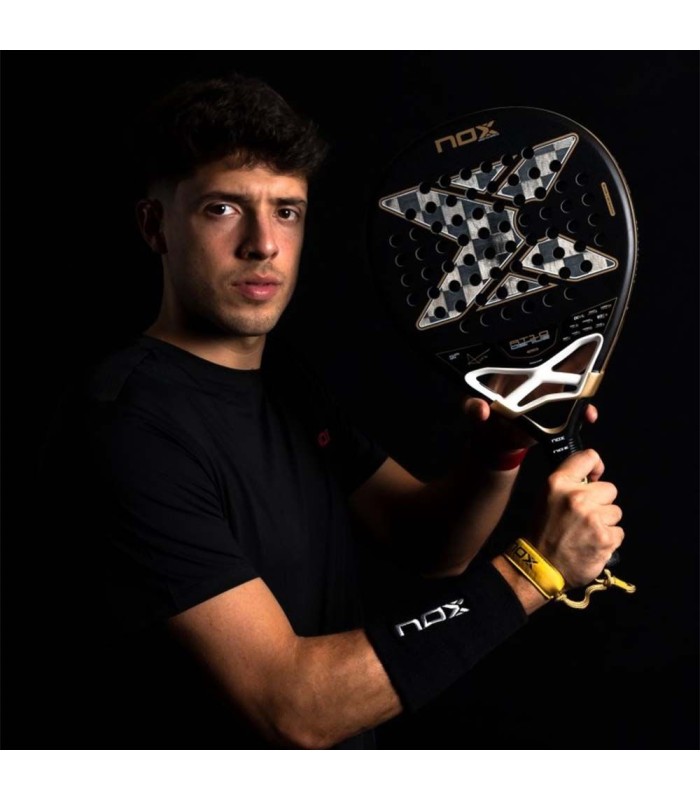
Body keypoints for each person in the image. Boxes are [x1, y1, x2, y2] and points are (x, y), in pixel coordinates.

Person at [39, 74, 624, 750]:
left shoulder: (286, 383)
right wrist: (536, 571)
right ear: (155, 226)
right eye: (223, 209)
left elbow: (428, 545)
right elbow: (294, 707)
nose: (263, 243)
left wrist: (501, 450)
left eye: (287, 211)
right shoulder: (126, 428)